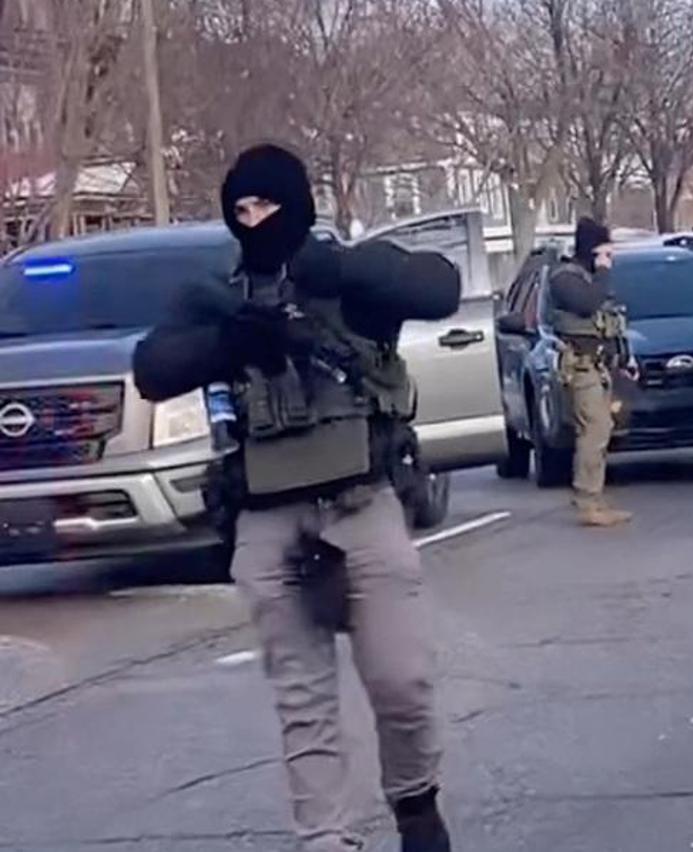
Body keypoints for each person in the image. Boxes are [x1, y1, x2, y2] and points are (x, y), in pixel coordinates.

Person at [132, 144, 458, 852]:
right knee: (303, 702)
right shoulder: (219, 294)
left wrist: (344, 271)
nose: (255, 222)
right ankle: (326, 839)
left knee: (402, 683)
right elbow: (152, 368)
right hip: (267, 518)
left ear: (299, 206)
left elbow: (439, 289)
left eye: (268, 206)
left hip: (361, 503)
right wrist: (230, 342)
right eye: (242, 209)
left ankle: (415, 804)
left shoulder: (343, 281)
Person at [547, 217, 632, 527]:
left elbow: (607, 320)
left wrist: (623, 357)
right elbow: (587, 304)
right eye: (606, 252)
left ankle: (595, 496)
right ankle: (587, 499)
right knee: (593, 430)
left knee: (602, 428)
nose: (610, 259)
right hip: (579, 365)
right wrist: (603, 271)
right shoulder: (565, 278)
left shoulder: (589, 277)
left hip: (597, 364)